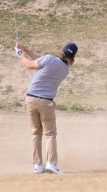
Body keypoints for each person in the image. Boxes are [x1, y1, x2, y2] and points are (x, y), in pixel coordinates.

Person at [17, 41, 78, 173]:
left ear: (62, 50)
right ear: (72, 57)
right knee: (50, 134)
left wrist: (20, 53)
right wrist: (25, 49)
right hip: (46, 102)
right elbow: (39, 58)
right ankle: (51, 164)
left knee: (36, 132)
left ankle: (38, 165)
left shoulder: (49, 59)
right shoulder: (65, 69)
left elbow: (29, 64)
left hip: (31, 99)